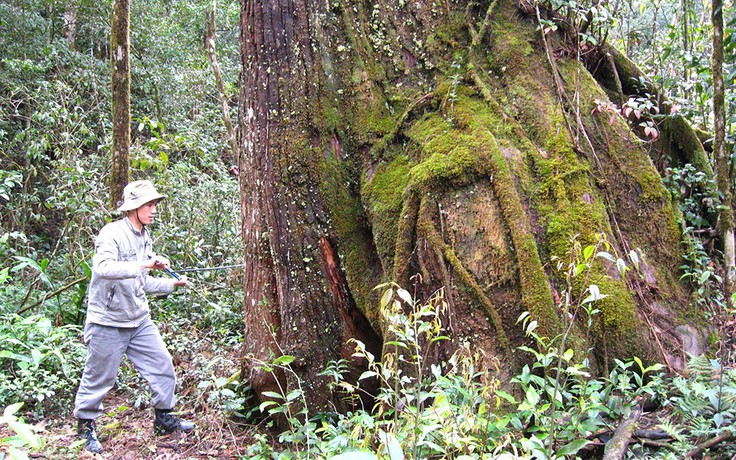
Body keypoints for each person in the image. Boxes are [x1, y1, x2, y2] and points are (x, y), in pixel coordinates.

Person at [73, 180, 195, 454]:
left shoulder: (145, 237)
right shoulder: (112, 233)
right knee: (99, 377)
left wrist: (172, 284)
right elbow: (103, 268)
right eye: (149, 205)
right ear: (134, 208)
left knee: (163, 365)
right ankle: (85, 427)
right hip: (108, 322)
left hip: (139, 320)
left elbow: (142, 283)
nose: (153, 210)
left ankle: (165, 418)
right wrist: (144, 263)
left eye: (154, 205)